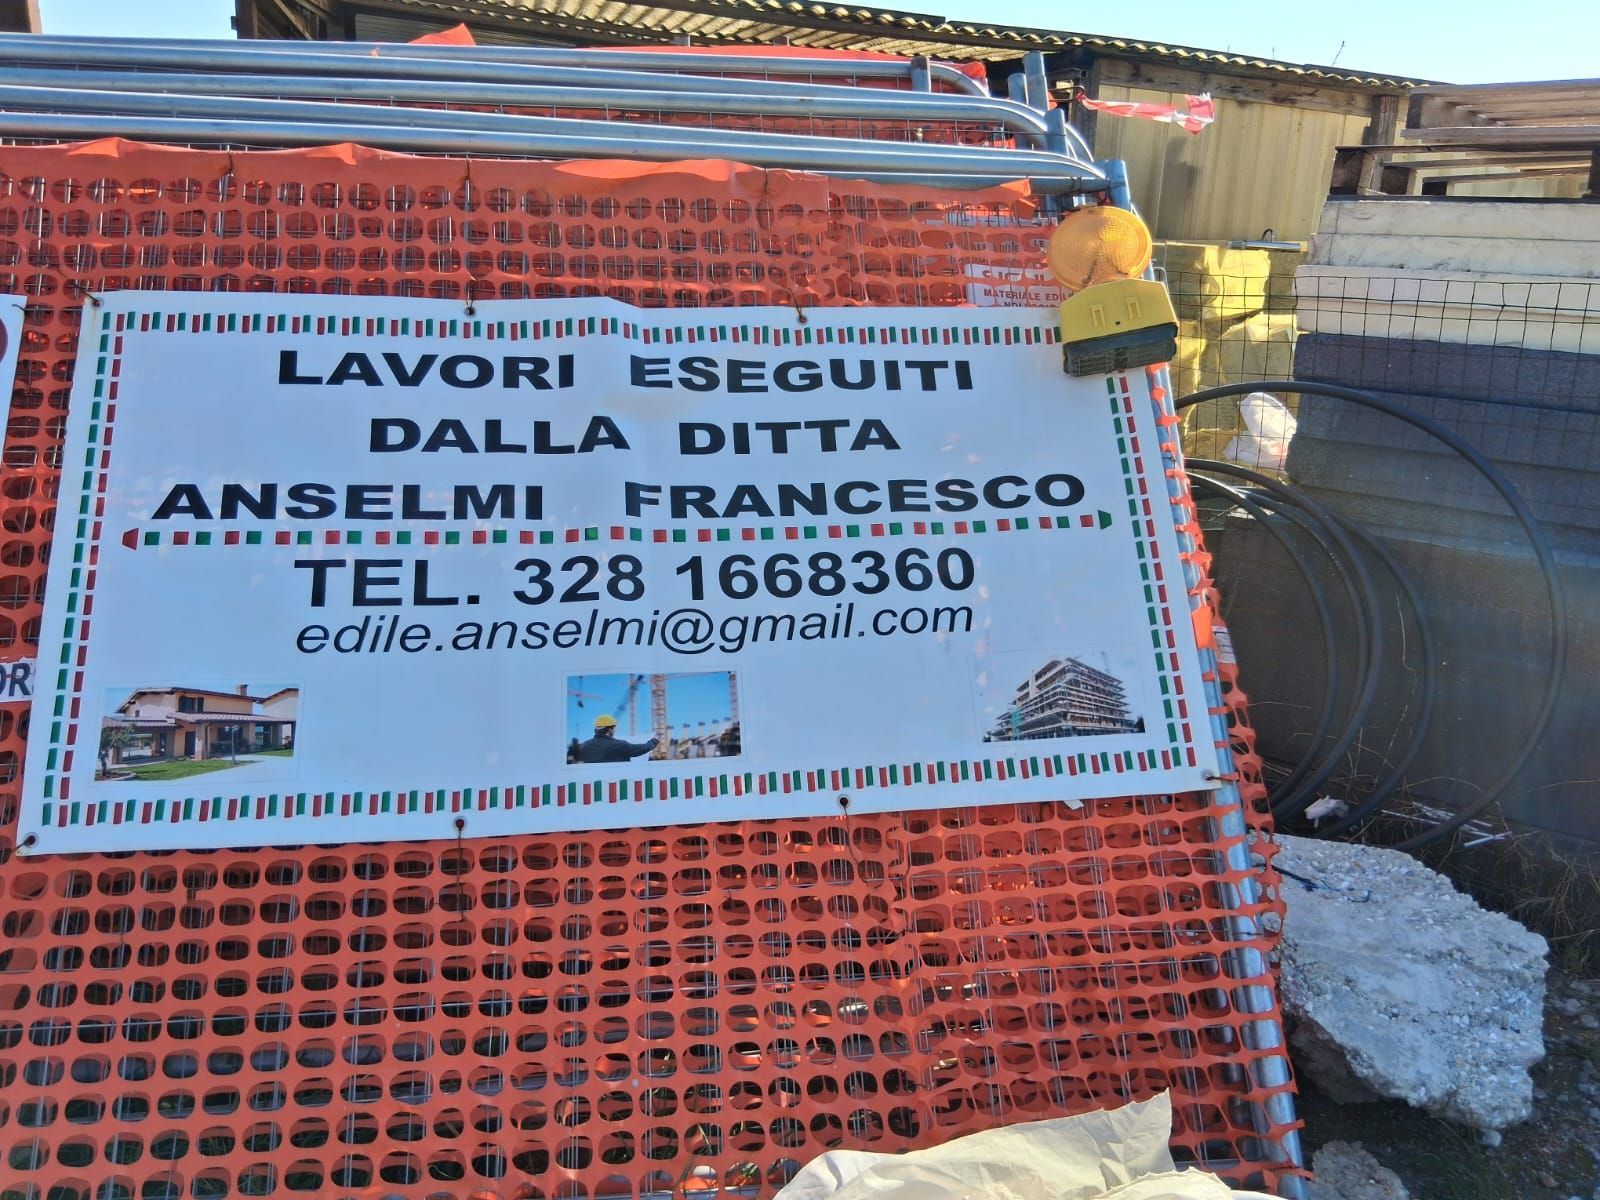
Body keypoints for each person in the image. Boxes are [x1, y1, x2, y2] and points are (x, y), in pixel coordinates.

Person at [574, 714, 657, 764]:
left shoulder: (583, 746)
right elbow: (640, 749)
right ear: (610, 729)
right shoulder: (619, 745)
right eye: (614, 728)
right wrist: (653, 742)